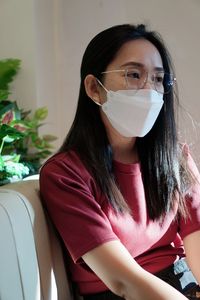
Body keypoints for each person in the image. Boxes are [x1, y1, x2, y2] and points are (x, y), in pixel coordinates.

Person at [40, 24, 200, 300]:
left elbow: (197, 240)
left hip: (182, 283)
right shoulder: (65, 175)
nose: (150, 90)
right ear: (94, 88)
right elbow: (123, 280)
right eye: (133, 75)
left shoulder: (175, 158)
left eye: (159, 79)